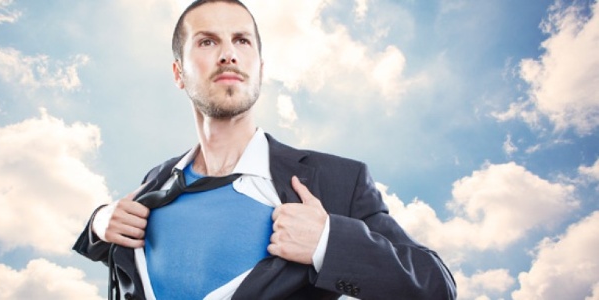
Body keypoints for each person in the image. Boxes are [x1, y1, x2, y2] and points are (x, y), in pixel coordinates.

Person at [73, 0, 457, 299]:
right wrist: (98, 222)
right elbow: (119, 250)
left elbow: (434, 287)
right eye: (207, 41)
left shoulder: (335, 181)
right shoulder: (155, 181)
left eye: (241, 40)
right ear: (178, 73)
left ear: (260, 67)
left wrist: (327, 242)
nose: (228, 54)